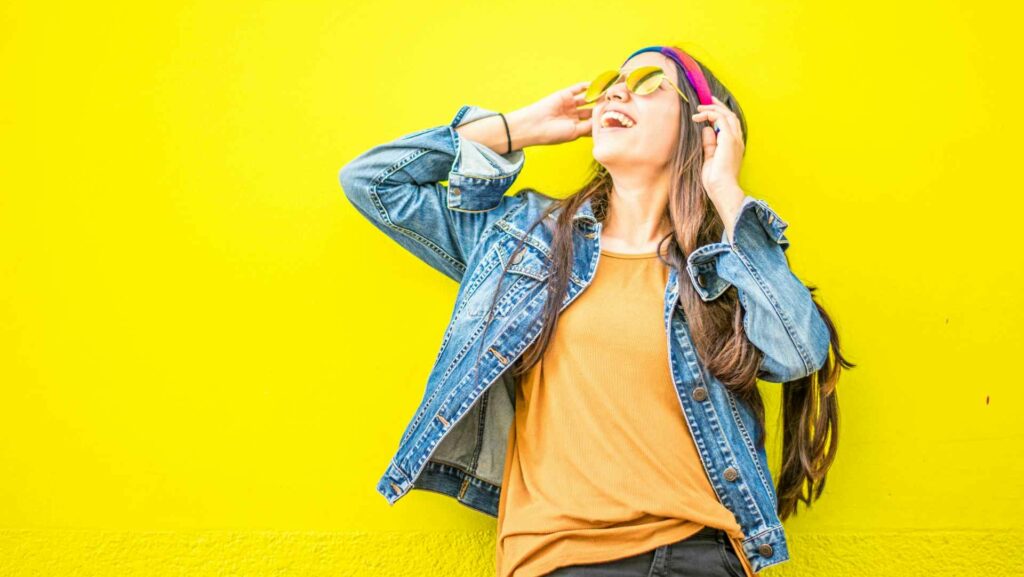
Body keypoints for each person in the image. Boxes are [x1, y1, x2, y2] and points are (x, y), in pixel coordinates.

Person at [339, 44, 852, 577]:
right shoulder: (522, 239)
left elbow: (799, 353)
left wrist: (725, 190)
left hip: (705, 553)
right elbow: (372, 182)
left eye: (650, 81)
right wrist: (518, 128)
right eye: (612, 81)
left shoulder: (722, 267)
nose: (616, 90)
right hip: (559, 558)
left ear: (705, 128)